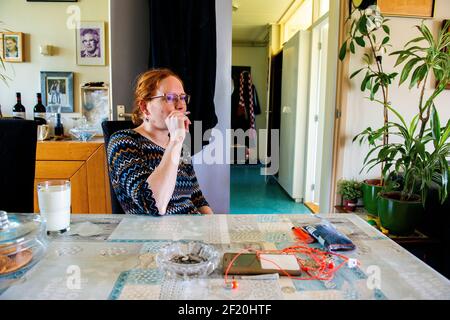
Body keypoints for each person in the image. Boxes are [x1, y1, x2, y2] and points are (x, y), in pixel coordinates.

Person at [107, 68, 214, 216]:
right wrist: (176, 141)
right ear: (145, 107)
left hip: (192, 230)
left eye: (183, 97)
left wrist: (213, 229)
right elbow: (154, 206)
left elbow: (197, 199)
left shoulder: (180, 146)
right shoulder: (123, 143)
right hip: (157, 236)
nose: (181, 105)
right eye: (170, 97)